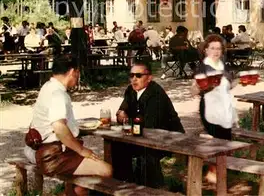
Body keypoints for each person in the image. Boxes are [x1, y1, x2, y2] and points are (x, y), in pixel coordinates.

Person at [24, 55, 112, 195]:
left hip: (44, 150)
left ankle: (73, 193)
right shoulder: (58, 94)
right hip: (52, 156)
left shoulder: (48, 86)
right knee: (106, 170)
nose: (78, 77)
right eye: (77, 73)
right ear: (73, 72)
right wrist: (82, 150)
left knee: (84, 176)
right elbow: (59, 128)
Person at [114, 57, 184, 187]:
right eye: (131, 75)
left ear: (149, 78)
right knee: (117, 146)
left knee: (147, 151)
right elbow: (122, 111)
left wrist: (127, 120)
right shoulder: (131, 90)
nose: (134, 79)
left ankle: (154, 188)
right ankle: (124, 184)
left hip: (169, 135)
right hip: (145, 133)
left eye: (139, 75)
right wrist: (121, 113)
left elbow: (150, 125)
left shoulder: (156, 94)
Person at [191, 34, 237, 183]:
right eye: (212, 48)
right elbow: (194, 90)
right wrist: (207, 85)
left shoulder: (224, 66)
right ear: (206, 50)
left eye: (219, 49)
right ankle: (213, 173)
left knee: (226, 140)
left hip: (225, 107)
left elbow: (229, 85)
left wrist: (240, 81)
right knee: (217, 140)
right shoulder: (202, 66)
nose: (216, 51)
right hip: (210, 108)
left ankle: (219, 173)